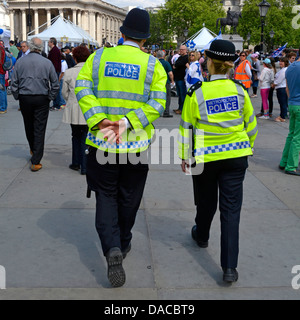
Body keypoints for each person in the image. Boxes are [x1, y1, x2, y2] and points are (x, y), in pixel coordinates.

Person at [75, 7, 167, 287]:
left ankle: (111, 246)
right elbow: (158, 103)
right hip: (134, 146)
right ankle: (124, 241)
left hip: (102, 142)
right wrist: (127, 122)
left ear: (123, 32)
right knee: (129, 197)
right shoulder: (154, 65)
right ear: (145, 39)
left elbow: (82, 87)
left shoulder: (99, 56)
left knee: (105, 196)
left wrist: (100, 120)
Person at [178, 39, 257, 283]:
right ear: (231, 64)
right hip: (236, 158)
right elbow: (251, 126)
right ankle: (230, 268)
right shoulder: (240, 91)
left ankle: (202, 235)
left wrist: (185, 155)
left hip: (206, 158)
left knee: (205, 201)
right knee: (231, 212)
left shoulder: (197, 93)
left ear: (209, 63)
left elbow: (187, 128)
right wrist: (247, 147)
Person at [11, 37, 59, 172]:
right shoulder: (47, 62)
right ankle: (36, 159)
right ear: (41, 47)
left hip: (25, 97)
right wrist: (50, 97)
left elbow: (14, 82)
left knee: (28, 124)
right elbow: (55, 84)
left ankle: (33, 149)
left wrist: (17, 96)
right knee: (40, 127)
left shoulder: (20, 62)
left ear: (30, 47)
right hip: (41, 97)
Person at [62, 46, 90, 175]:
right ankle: (85, 165)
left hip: (74, 107)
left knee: (75, 136)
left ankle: (76, 162)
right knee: (86, 136)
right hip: (88, 108)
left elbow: (64, 93)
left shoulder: (69, 72)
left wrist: (71, 100)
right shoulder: (92, 72)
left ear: (75, 57)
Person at [279, 59, 300, 176]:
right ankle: (291, 166)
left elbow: (287, 88)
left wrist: (291, 101)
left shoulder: (290, 68)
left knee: (291, 134)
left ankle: (284, 162)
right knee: (298, 138)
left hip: (292, 104)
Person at [156, 50, 174, 118]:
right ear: (163, 56)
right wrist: (172, 80)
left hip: (156, 82)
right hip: (165, 82)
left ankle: (158, 111)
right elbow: (170, 73)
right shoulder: (166, 63)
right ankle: (166, 112)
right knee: (167, 97)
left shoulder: (155, 63)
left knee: (157, 97)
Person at [173, 45, 188, 114]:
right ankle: (179, 108)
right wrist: (176, 64)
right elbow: (175, 63)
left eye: (182, 49)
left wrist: (176, 65)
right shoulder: (179, 57)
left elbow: (178, 64)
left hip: (182, 79)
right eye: (180, 49)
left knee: (182, 95)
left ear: (186, 50)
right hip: (178, 78)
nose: (181, 50)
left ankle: (182, 109)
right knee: (179, 95)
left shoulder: (186, 58)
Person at [48, 37, 62, 110]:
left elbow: (54, 62)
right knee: (55, 87)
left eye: (49, 42)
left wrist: (52, 71)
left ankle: (56, 104)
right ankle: (56, 103)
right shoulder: (55, 50)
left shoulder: (54, 50)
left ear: (52, 42)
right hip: (55, 70)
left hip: (55, 70)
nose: (48, 43)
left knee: (55, 87)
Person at [273, 57, 289, 122]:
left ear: (285, 63)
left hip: (281, 88)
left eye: (282, 62)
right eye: (280, 61)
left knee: (282, 103)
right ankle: (283, 115)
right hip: (283, 88)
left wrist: (273, 84)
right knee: (284, 103)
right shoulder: (285, 69)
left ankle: (282, 116)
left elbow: (279, 80)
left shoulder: (284, 70)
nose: (280, 63)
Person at [0, 40, 8, 114]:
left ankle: (2, 107)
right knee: (3, 89)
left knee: (1, 90)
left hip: (0, 71)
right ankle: (4, 107)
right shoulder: (2, 48)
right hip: (2, 71)